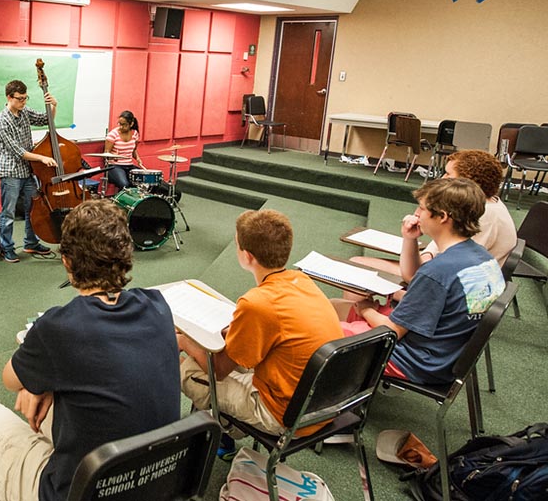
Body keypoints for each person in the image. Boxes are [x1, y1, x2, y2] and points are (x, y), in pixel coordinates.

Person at [0, 199, 180, 501]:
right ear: (126, 254)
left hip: (80, 493)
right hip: (156, 481)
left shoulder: (59, 327)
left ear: (67, 261)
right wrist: (47, 385)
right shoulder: (158, 305)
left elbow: (11, 379)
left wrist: (38, 383)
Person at [178, 210, 343, 460]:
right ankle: (222, 431)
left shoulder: (258, 302)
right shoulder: (302, 281)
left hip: (284, 415)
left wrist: (183, 341)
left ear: (247, 256)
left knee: (188, 368)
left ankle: (219, 432)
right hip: (322, 403)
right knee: (226, 363)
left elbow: (219, 370)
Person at [342, 178, 505, 385]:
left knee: (319, 331)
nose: (416, 214)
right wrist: (409, 238)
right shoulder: (482, 258)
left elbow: (392, 332)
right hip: (445, 353)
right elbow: (425, 288)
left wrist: (365, 307)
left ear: (443, 217)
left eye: (422, 208)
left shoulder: (438, 271)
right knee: (336, 308)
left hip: (412, 359)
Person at [352, 150, 516, 281]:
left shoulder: (484, 216)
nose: (442, 179)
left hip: (444, 285)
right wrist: (427, 254)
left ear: (466, 182)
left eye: (448, 175)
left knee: (356, 266)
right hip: (437, 273)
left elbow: (443, 270)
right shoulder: (487, 204)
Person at [0, 80, 57, 263]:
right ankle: (7, 248)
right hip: (11, 172)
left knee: (33, 209)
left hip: (27, 171)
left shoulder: (24, 111)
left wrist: (53, 106)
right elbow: (18, 152)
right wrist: (42, 158)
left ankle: (31, 243)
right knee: (8, 213)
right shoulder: (1, 121)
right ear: (9, 97)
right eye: (20, 99)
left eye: (25, 98)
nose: (23, 102)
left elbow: (47, 120)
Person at [103, 110, 145, 191]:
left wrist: (138, 159)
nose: (121, 127)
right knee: (124, 184)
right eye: (119, 124)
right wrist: (113, 157)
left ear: (131, 124)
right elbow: (106, 154)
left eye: (124, 124)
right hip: (114, 166)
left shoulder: (134, 133)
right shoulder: (113, 135)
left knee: (144, 180)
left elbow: (134, 150)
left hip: (129, 165)